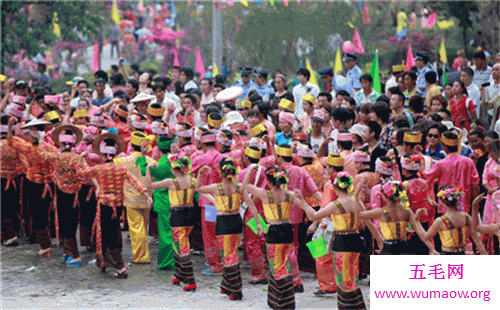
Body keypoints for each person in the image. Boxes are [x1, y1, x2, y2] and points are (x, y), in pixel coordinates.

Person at [78, 133, 151, 279]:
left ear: (103, 154)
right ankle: (110, 262)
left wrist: (81, 159)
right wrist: (146, 194)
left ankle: (119, 266)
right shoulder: (121, 168)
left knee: (108, 235)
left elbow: (82, 173)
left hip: (105, 205)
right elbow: (135, 181)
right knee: (114, 231)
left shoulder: (99, 168)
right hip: (118, 206)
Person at [295, 172, 367, 310]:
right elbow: (365, 222)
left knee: (344, 278)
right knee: (352, 275)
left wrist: (303, 203)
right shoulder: (357, 202)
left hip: (342, 242)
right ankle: (357, 305)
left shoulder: (335, 205)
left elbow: (313, 215)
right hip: (355, 241)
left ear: (335, 188)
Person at [196, 158, 262, 301]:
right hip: (236, 221)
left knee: (228, 255)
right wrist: (258, 223)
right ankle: (227, 285)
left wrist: (200, 174)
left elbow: (198, 188)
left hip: (223, 223)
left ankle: (235, 289)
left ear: (220, 172)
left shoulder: (216, 187)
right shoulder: (239, 187)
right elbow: (251, 205)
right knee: (232, 253)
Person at [243, 165, 298, 310]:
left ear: (268, 181)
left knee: (277, 266)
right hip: (287, 229)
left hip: (274, 231)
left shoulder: (264, 194)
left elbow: (245, 186)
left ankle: (284, 302)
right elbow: (305, 207)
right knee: (283, 263)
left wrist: (251, 170)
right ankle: (284, 300)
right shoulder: (289, 194)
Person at [146, 154, 198, 291]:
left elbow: (149, 185)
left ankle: (190, 280)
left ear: (174, 169)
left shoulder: (171, 182)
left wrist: (147, 169)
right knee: (179, 242)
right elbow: (202, 191)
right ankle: (179, 274)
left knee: (182, 245)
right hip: (190, 215)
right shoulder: (193, 180)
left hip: (178, 216)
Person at [7, 117, 58, 257]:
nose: (25, 136)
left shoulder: (29, 149)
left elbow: (10, 141)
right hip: (50, 184)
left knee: (37, 214)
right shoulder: (52, 148)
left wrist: (10, 126)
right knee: (47, 213)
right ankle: (47, 241)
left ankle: (45, 246)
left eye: (28, 134)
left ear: (33, 134)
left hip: (35, 185)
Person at [39, 125, 88, 266]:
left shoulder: (57, 157)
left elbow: (42, 154)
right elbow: (86, 173)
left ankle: (75, 256)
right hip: (75, 195)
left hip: (61, 193)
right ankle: (68, 252)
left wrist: (42, 140)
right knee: (71, 224)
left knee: (64, 222)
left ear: (60, 143)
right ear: (73, 143)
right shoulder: (78, 159)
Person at [357, 180, 432, 255]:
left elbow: (359, 214)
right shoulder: (407, 211)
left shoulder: (381, 212)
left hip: (388, 249)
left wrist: (357, 196)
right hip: (404, 248)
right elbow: (421, 232)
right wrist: (432, 248)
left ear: (384, 196)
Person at [113, 132, 155, 265]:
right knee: (144, 227)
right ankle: (143, 254)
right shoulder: (152, 162)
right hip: (148, 198)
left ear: (131, 145)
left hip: (131, 199)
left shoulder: (123, 161)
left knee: (136, 228)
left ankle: (141, 256)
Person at [416, 186, 487, 255]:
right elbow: (476, 238)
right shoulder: (466, 217)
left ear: (442, 203)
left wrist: (416, 220)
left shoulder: (440, 221)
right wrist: (484, 253)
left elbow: (425, 237)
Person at [422, 131, 480, 214]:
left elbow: (426, 176)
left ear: (444, 146)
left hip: (445, 207)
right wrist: (476, 204)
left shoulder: (441, 163)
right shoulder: (469, 162)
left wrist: (420, 165)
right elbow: (475, 184)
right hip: (464, 206)